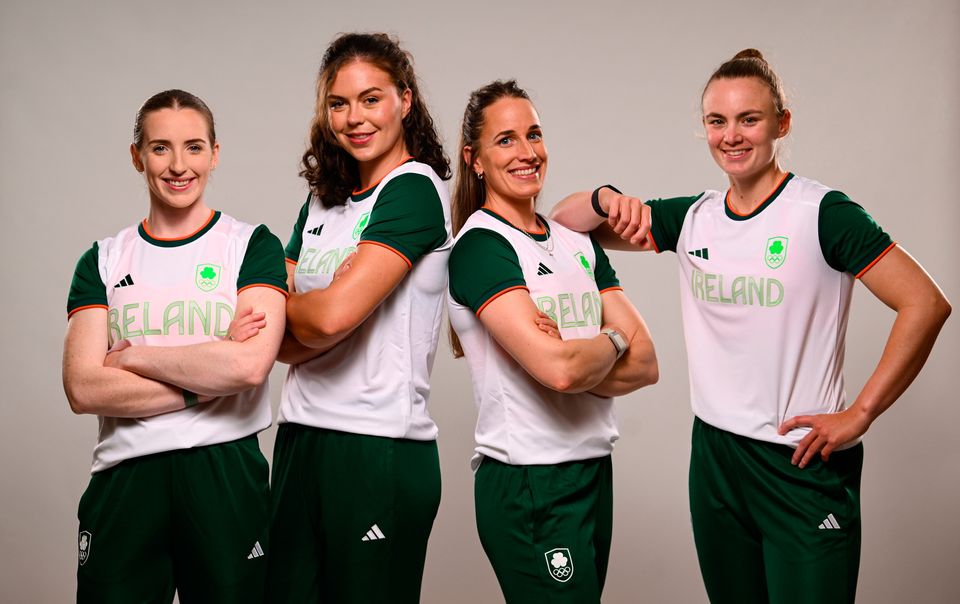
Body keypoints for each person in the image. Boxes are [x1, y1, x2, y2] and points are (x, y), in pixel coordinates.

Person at [550, 49, 952, 603]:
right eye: (717, 121)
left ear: (781, 124)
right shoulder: (694, 217)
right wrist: (605, 196)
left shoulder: (822, 214)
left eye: (749, 119)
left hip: (798, 462)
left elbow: (926, 304)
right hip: (715, 458)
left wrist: (860, 414)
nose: (731, 136)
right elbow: (565, 227)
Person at [62, 89, 288, 603]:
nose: (178, 165)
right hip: (125, 476)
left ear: (215, 153)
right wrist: (208, 373)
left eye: (193, 147)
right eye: (161, 148)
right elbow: (83, 386)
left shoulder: (250, 246)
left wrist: (136, 357)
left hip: (224, 471)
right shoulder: (102, 259)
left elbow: (250, 367)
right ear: (137, 155)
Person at [447, 80, 659, 604]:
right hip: (529, 482)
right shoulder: (481, 247)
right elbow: (560, 370)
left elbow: (648, 363)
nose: (527, 152)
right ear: (474, 159)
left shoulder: (574, 242)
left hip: (592, 471)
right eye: (506, 140)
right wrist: (610, 338)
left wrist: (577, 352)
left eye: (534, 134)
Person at [268, 32, 451, 603]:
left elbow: (322, 319)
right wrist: (312, 313)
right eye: (338, 103)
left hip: (377, 445)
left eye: (371, 99)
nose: (354, 118)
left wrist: (302, 315)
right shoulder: (323, 198)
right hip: (300, 436)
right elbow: (289, 327)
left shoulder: (414, 190)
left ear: (405, 99)